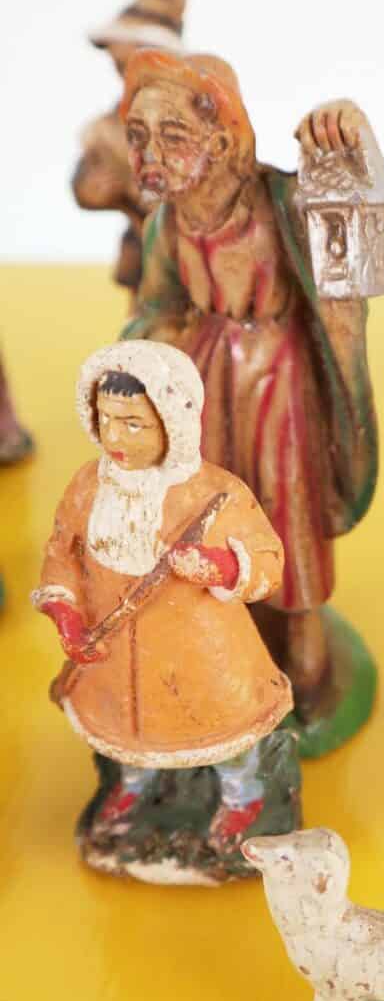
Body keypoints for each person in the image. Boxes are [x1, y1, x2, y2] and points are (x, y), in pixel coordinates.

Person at [115, 49, 381, 736]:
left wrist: (351, 137)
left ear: (222, 138)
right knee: (208, 515)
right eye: (139, 136)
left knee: (287, 511)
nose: (152, 156)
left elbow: (355, 232)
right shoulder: (165, 224)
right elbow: (154, 306)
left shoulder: (282, 203)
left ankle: (308, 662)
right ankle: (226, 652)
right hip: (203, 387)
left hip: (279, 387)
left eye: (173, 136)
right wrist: (152, 348)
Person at [32, 341, 292, 852]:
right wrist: (66, 614)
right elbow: (63, 551)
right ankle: (132, 786)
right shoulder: (87, 486)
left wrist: (222, 565)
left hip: (201, 653)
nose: (114, 436)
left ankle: (242, 796)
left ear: (173, 423)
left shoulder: (215, 494)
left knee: (224, 729)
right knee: (127, 731)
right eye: (106, 419)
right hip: (115, 650)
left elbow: (269, 561)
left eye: (134, 424)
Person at [73, 0, 187, 293]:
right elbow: (88, 183)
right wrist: (94, 187)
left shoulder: (183, 115)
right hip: (145, 257)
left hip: (189, 256)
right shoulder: (109, 126)